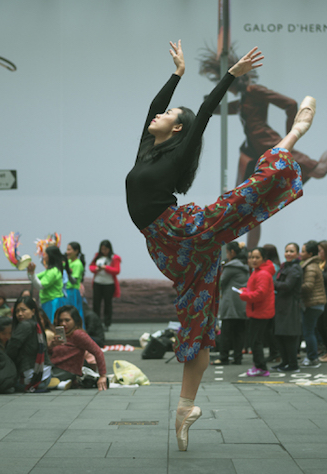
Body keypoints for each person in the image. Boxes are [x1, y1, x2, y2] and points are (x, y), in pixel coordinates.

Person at [124, 40, 312, 451]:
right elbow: (152, 108)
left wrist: (232, 74)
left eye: (169, 114)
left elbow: (204, 113)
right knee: (197, 320)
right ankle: (185, 408)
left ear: (177, 130)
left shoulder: (176, 155)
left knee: (239, 201)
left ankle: (288, 142)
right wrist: (176, 74)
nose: (159, 113)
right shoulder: (146, 151)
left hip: (184, 231)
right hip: (168, 250)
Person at [200, 48, 327, 250]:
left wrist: (291, 136)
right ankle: (251, 257)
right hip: (251, 155)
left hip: (271, 146)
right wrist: (213, 97)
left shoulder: (254, 91)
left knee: (319, 170)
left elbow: (291, 104)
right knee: (248, 207)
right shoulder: (242, 100)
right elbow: (217, 109)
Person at [49, 305, 107, 391]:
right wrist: (52, 345)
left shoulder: (78, 334)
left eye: (67, 320)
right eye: (61, 320)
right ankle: (62, 384)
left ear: (75, 321)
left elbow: (98, 352)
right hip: (53, 368)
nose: (63, 323)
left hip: (67, 372)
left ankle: (65, 383)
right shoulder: (61, 334)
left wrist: (103, 376)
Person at [238, 247, 275, 377]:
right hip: (257, 311)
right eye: (251, 257)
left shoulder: (263, 274)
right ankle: (259, 366)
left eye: (257, 257)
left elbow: (260, 294)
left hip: (260, 312)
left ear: (264, 259)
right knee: (255, 341)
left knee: (255, 342)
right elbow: (255, 290)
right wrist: (245, 291)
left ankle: (261, 368)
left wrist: (245, 296)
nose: (253, 260)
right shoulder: (257, 271)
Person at [212, 241, 248, 366]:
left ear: (232, 252)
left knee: (226, 332)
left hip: (230, 304)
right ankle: (237, 358)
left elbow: (220, 283)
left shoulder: (231, 266)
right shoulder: (245, 265)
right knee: (239, 333)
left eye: (227, 252)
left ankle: (223, 357)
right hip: (242, 303)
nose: (226, 255)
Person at [6, 295, 53, 392]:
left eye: (23, 310)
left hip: (31, 379)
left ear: (33, 311)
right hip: (45, 376)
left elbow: (11, 351)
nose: (19, 314)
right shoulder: (37, 325)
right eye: (17, 311)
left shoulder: (25, 325)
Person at [272, 243, 303, 372]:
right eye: (286, 251)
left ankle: (292, 364)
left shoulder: (295, 268)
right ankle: (284, 362)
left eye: (291, 251)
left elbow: (288, 285)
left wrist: (271, 282)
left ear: (297, 253)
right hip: (282, 305)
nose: (288, 254)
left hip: (291, 306)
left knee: (289, 336)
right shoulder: (285, 266)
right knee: (280, 335)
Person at [27, 245, 69, 323]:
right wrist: (30, 272)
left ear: (50, 256)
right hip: (48, 301)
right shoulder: (50, 270)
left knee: (52, 324)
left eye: (45, 254)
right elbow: (33, 278)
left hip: (52, 302)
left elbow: (40, 286)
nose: (43, 256)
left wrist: (32, 273)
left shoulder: (53, 271)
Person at [299, 241, 326, 368]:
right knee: (311, 331)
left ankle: (312, 358)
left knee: (308, 332)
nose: (300, 253)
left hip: (313, 303)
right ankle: (312, 356)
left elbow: (308, 286)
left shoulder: (310, 267)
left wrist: (296, 287)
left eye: (303, 251)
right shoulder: (313, 265)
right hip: (316, 303)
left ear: (310, 253)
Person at [89, 240, 121, 331]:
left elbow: (117, 270)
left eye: (106, 249)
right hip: (97, 283)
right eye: (102, 249)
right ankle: (96, 323)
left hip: (109, 284)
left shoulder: (115, 258)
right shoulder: (97, 256)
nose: (104, 251)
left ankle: (107, 324)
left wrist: (106, 268)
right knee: (96, 304)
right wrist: (96, 269)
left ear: (109, 249)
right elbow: (91, 267)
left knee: (107, 304)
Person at [65, 242, 86, 322]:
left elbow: (74, 281)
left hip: (73, 291)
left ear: (76, 251)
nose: (67, 252)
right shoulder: (69, 261)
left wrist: (68, 272)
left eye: (69, 250)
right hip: (67, 291)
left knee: (73, 314)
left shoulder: (77, 264)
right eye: (67, 249)